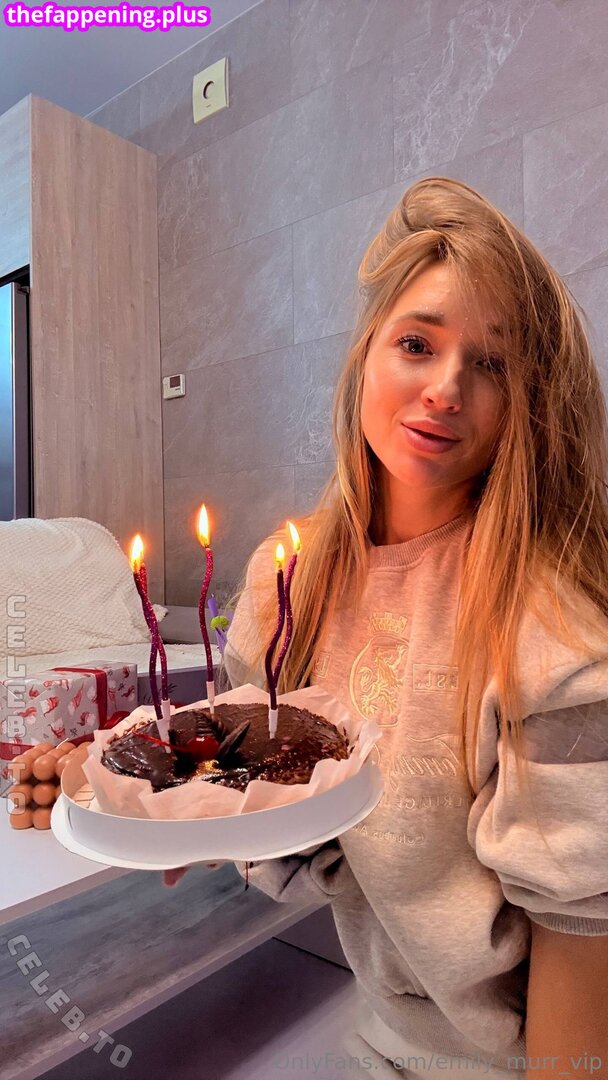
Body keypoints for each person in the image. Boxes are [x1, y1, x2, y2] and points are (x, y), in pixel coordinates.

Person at [163, 178, 608, 1078]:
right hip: (375, 1035)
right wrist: (163, 801)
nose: (445, 388)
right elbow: (265, 806)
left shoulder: (551, 631)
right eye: (417, 344)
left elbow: (583, 936)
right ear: (367, 353)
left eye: (492, 365)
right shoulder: (286, 581)